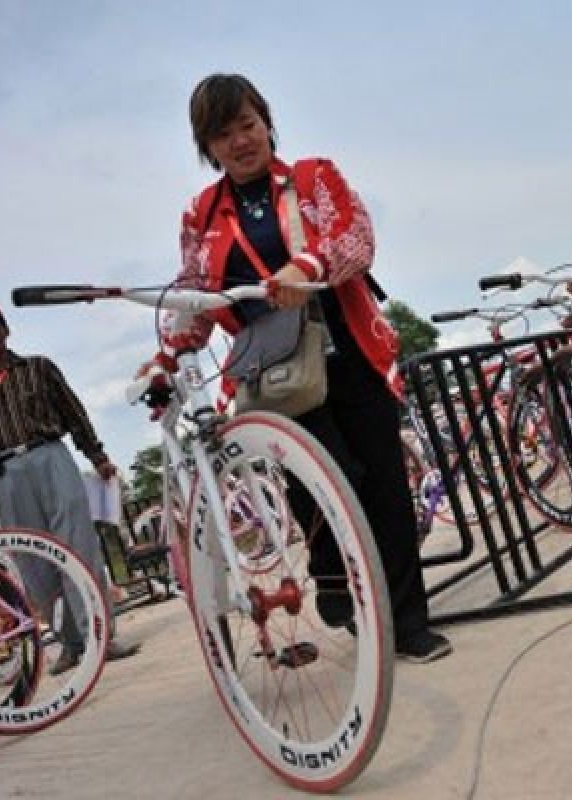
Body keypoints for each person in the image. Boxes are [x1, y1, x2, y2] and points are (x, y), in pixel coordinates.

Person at [144, 73, 450, 663]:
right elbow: (194, 294)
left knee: (383, 486)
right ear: (206, 147)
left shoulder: (314, 177)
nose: (240, 141)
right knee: (321, 489)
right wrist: (168, 352)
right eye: (223, 134)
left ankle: (407, 625)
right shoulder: (200, 215)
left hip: (350, 354)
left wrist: (304, 265)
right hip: (274, 375)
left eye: (248, 125)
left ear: (267, 122)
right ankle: (338, 588)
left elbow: (355, 239)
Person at [0, 301, 140, 673]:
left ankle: (100, 636)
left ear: (6, 329)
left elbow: (73, 412)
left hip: (50, 455)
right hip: (3, 473)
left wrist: (97, 456)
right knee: (32, 560)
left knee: (79, 547)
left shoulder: (39, 367)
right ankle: (70, 645)